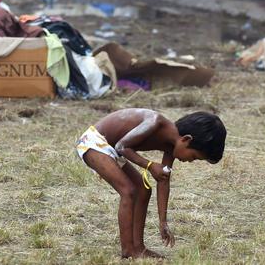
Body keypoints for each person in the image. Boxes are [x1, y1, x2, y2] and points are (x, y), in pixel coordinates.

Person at [76, 109, 227, 259]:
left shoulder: (172, 146)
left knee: (143, 190)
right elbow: (122, 146)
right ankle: (128, 250)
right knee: (128, 191)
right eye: (193, 157)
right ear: (186, 140)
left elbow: (163, 180)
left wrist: (163, 222)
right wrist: (149, 165)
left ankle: (139, 248)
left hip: (112, 150)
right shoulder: (155, 123)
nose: (189, 161)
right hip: (94, 142)